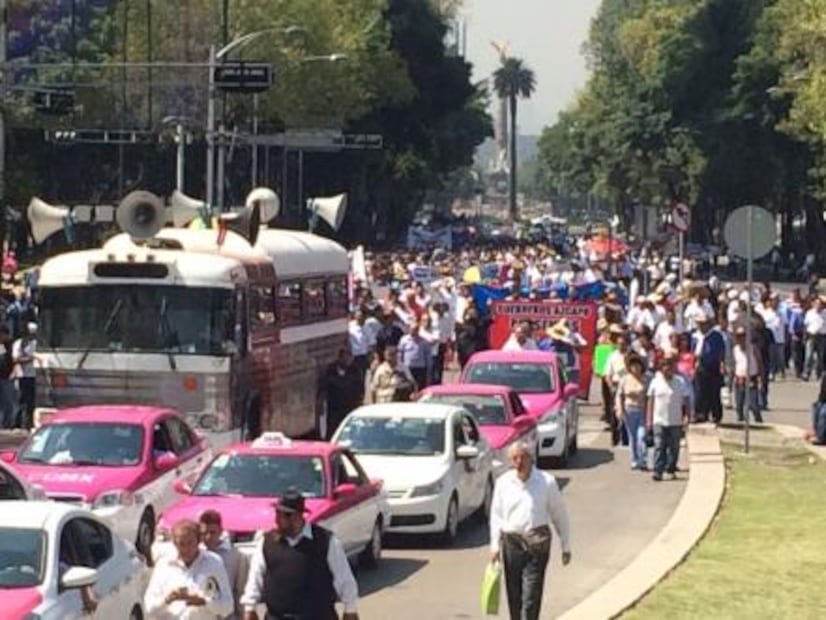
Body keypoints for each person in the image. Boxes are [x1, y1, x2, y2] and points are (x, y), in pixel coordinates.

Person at [240, 487, 359, 620]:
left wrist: (350, 610)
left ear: (295, 516)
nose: (276, 520)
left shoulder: (326, 541)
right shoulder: (266, 543)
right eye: (277, 514)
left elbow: (345, 580)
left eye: (281, 515)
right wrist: (250, 608)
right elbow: (255, 579)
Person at [489, 441, 571, 620]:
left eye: (522, 457)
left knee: (531, 596)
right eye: (514, 458)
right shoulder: (503, 482)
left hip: (537, 544)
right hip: (511, 544)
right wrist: (494, 545)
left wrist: (566, 545)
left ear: (531, 458)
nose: (519, 462)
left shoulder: (546, 482)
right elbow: (496, 516)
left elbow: (559, 514)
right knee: (514, 594)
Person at [144, 518, 234, 620]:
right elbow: (149, 609)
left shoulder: (214, 563)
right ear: (174, 543)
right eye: (181, 544)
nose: (186, 549)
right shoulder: (164, 565)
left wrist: (204, 601)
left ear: (199, 541)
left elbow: (228, 607)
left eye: (190, 543)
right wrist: (168, 599)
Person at [646, 356, 690, 482]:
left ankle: (670, 468)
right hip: (658, 421)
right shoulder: (655, 382)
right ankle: (658, 471)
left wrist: (687, 415)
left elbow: (686, 400)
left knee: (674, 448)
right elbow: (650, 401)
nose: (667, 371)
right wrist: (649, 420)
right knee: (659, 446)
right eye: (664, 368)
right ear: (661, 370)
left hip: (675, 421)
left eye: (669, 368)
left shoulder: (680, 382)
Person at [198, 510, 249, 620]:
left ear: (221, 531)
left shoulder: (235, 555)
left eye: (212, 532)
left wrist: (241, 615)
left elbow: (241, 590)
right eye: (204, 533)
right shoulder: (197, 554)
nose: (208, 537)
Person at [615, 354, 649, 470]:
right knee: (632, 437)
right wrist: (619, 409)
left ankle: (643, 459)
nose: (635, 368)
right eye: (633, 365)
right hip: (629, 411)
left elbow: (650, 396)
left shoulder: (646, 379)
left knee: (642, 436)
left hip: (642, 410)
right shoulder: (624, 379)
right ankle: (634, 459)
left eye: (637, 365)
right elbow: (619, 395)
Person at [321, 350, 364, 439]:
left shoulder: (355, 370)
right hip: (334, 408)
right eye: (344, 358)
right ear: (340, 358)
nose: (347, 361)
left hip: (350, 406)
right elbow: (325, 385)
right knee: (334, 430)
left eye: (349, 358)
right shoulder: (331, 370)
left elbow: (360, 387)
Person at [13, 321, 37, 430]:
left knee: (31, 402)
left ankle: (29, 424)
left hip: (33, 375)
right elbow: (16, 359)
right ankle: (17, 424)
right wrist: (30, 359)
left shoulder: (35, 343)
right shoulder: (19, 343)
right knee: (21, 400)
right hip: (22, 376)